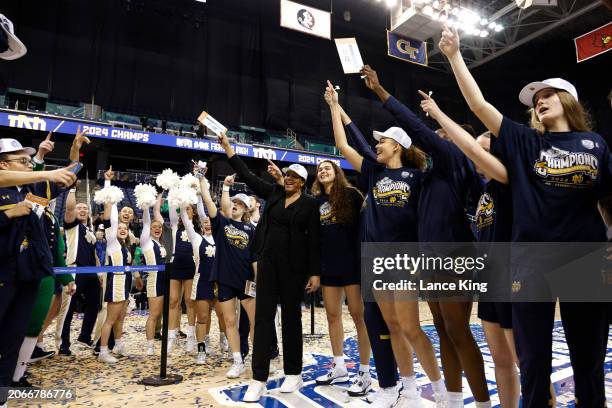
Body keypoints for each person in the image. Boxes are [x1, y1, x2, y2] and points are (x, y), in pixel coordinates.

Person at [439, 24, 611, 407]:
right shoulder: (526, 141)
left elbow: (607, 202)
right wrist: (454, 56)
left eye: (549, 94)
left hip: (586, 259)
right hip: (530, 262)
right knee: (533, 362)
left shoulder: (596, 144)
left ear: (570, 101)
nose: (540, 100)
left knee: (589, 362)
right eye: (536, 98)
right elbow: (479, 107)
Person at [360, 66, 489, 407]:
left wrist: (382, 93)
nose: (439, 137)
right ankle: (452, 398)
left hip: (454, 254)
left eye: (445, 134)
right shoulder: (428, 174)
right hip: (430, 257)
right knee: (444, 329)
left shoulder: (454, 159)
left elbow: (419, 130)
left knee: (458, 331)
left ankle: (483, 403)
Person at [325, 82, 449, 408]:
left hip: (405, 258)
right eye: (377, 141)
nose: (378, 144)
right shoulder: (374, 174)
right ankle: (406, 389)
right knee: (393, 325)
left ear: (398, 146)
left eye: (384, 140)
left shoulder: (418, 178)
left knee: (411, 327)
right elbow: (342, 145)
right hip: (376, 258)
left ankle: (439, 392)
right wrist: (334, 106)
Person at [216, 132, 321, 402]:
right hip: (268, 266)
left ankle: (293, 373)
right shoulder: (274, 192)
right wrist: (229, 148)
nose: (288, 179)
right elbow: (249, 177)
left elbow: (315, 242)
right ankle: (258, 378)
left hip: (294, 269)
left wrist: (315, 272)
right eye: (286, 175)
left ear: (303, 183)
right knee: (262, 321)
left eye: (294, 177)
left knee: (291, 320)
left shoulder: (310, 205)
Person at [0, 138, 66, 395]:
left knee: (13, 337)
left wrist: (73, 158)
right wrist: (7, 215)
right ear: (4, 165)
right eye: (23, 161)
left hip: (27, 273)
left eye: (29, 161)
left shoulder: (30, 191)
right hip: (3, 271)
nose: (30, 166)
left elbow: (57, 186)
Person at [310, 159, 373, 396]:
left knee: (359, 317)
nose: (323, 171)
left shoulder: (352, 195)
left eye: (327, 168)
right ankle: (338, 366)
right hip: (329, 267)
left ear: (336, 173)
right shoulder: (316, 202)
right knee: (332, 316)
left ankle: (364, 371)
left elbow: (364, 227)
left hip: (353, 266)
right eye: (319, 169)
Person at [200, 172, 256, 379]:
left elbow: (256, 257)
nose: (235, 205)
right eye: (233, 202)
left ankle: (259, 359)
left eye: (239, 204)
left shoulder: (252, 230)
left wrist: (258, 280)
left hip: (247, 281)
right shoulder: (221, 224)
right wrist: (202, 180)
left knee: (254, 322)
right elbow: (208, 200)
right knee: (230, 321)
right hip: (224, 279)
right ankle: (238, 361)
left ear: (246, 209)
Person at [97, 179, 142, 364]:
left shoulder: (125, 246)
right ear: (114, 231)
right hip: (115, 282)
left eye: (125, 228)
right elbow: (110, 218)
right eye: (119, 228)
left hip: (124, 284)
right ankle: (102, 351)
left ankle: (118, 344)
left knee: (120, 318)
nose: (122, 230)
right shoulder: (113, 243)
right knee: (110, 319)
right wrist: (108, 185)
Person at [138, 188, 167, 356]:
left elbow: (158, 219)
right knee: (154, 314)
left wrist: (160, 196)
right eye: (154, 227)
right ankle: (149, 346)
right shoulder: (146, 242)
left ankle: (157, 337)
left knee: (160, 314)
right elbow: (147, 221)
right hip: (154, 281)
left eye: (159, 227)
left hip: (164, 281)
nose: (157, 228)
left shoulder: (160, 244)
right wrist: (147, 205)